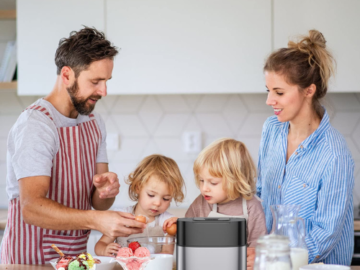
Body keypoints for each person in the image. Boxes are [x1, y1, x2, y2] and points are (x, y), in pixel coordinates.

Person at [0, 27, 146, 265]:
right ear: (67, 75)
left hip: (74, 260)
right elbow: (32, 207)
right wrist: (96, 220)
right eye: (95, 81)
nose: (104, 91)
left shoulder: (93, 121)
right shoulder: (36, 125)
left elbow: (99, 202)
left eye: (107, 81)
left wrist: (105, 191)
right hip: (31, 261)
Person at [257, 30, 354, 265]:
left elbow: (325, 234)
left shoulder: (334, 154)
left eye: (279, 92)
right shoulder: (271, 129)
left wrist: (280, 260)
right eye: (268, 91)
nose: (270, 101)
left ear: (308, 91)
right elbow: (260, 193)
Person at [164, 138, 266, 270]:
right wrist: (179, 226)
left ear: (236, 180)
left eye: (213, 183)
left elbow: (259, 247)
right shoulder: (200, 203)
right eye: (201, 180)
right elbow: (188, 237)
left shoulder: (251, 206)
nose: (204, 188)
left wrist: (256, 259)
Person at [95, 154, 185, 257]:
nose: (157, 203)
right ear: (138, 187)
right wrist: (104, 250)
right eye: (151, 195)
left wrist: (177, 226)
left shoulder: (166, 223)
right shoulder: (122, 217)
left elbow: (167, 254)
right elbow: (99, 246)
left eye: (166, 198)